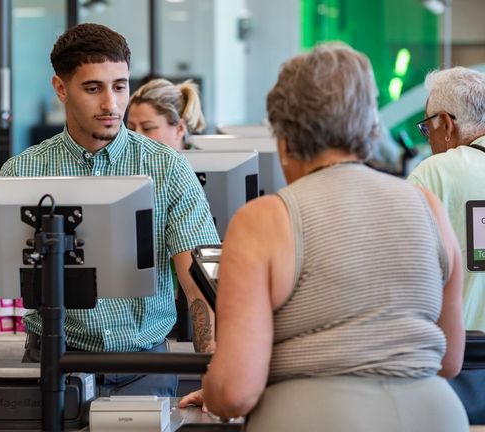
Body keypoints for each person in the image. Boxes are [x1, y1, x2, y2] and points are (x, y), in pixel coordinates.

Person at [0, 23, 219, 410]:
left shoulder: (167, 169)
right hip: (52, 369)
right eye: (93, 88)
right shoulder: (23, 171)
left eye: (120, 86)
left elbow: (197, 282)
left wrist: (215, 368)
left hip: (144, 369)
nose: (111, 104)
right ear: (61, 89)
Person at [180, 42, 467, 432]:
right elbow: (449, 360)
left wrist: (215, 389)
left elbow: (234, 393)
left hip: (313, 418)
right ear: (370, 125)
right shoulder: (428, 206)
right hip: (436, 416)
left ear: (284, 137)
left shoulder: (264, 220)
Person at [407, 66, 485, 424]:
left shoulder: (433, 173)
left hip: (457, 369)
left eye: (427, 128)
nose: (428, 140)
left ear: (446, 124)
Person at [127, 78, 206, 150]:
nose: (135, 137)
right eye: (131, 129)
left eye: (147, 128)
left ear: (179, 129)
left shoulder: (207, 162)